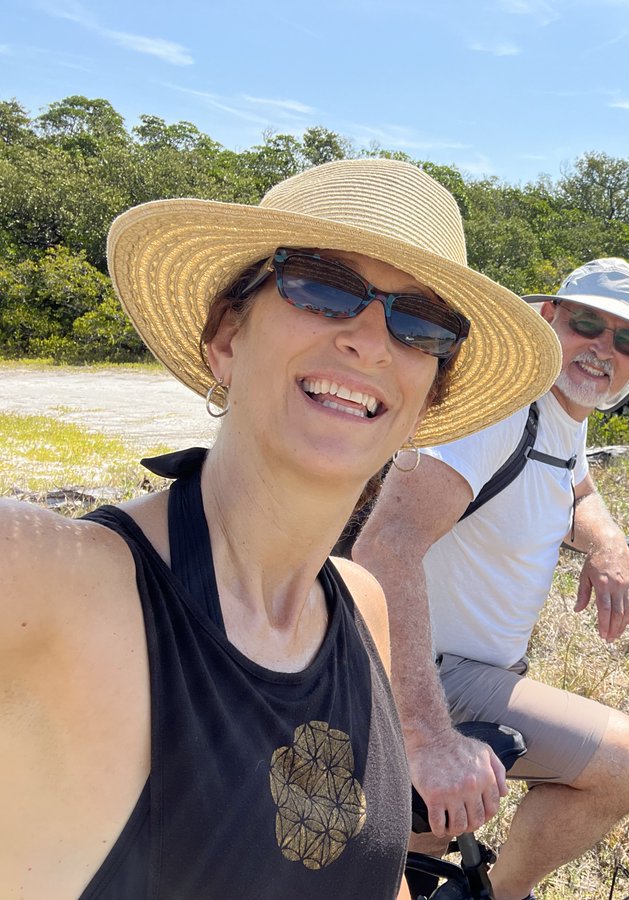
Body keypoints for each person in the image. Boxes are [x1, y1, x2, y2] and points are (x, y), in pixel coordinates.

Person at [0, 158, 560, 899]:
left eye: (421, 323)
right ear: (226, 338)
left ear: (426, 402)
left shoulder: (363, 607)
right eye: (322, 286)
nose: (369, 338)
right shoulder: (60, 580)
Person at [355, 258, 629, 900]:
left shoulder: (563, 413)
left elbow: (577, 483)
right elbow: (386, 546)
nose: (603, 349)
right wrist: (427, 736)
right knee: (625, 760)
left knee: (425, 839)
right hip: (427, 672)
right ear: (547, 320)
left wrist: (607, 539)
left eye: (626, 340)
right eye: (588, 324)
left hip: (482, 669)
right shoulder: (502, 412)